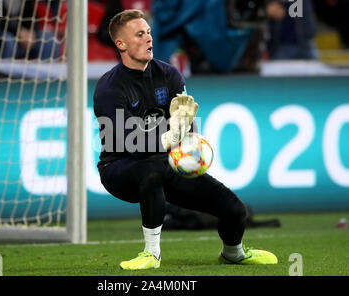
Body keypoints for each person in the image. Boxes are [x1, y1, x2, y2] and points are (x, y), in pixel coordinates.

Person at [93, 9, 277, 270]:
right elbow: (122, 141)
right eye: (139, 34)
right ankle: (151, 253)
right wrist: (168, 138)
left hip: (165, 164)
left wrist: (187, 140)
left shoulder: (169, 75)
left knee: (236, 209)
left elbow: (185, 126)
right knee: (151, 171)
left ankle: (233, 253)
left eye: (148, 32)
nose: (149, 39)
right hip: (119, 168)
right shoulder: (109, 87)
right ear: (120, 44)